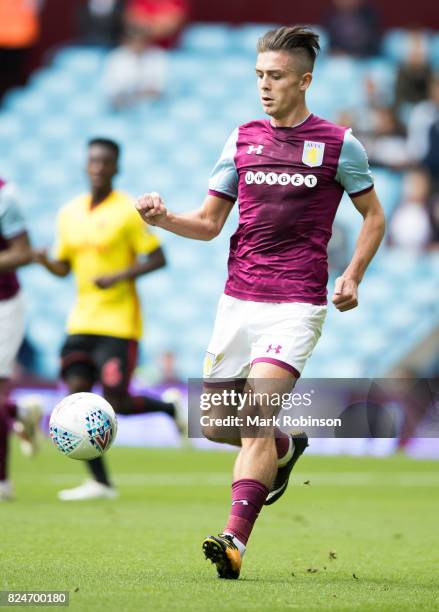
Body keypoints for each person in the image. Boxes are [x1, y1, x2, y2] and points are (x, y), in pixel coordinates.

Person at [136, 25, 385, 579]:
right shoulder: (241, 139)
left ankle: (234, 542)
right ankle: (287, 447)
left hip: (296, 302)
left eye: (275, 76)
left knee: (252, 418)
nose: (265, 87)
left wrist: (353, 274)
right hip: (237, 301)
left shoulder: (340, 144)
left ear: (304, 79)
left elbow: (374, 215)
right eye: (258, 76)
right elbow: (206, 223)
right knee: (216, 425)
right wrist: (162, 218)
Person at [34, 138, 184, 501]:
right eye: (92, 162)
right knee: (74, 400)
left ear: (116, 167)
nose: (98, 168)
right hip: (80, 322)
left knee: (114, 401)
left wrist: (117, 276)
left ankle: (169, 407)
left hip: (118, 324)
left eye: (105, 162)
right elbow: (64, 266)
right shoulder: (68, 213)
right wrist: (44, 261)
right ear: (86, 166)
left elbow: (158, 258)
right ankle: (100, 482)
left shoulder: (126, 212)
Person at [0, 179, 41, 501]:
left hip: (4, 305)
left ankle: (2, 482)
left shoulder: (5, 195)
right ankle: (18, 412)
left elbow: (23, 252)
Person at [102, 24, 167, 110]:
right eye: (134, 40)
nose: (138, 45)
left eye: (141, 41)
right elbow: (113, 90)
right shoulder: (116, 58)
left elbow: (159, 89)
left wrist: (136, 94)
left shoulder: (158, 56)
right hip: (123, 105)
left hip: (153, 105)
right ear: (126, 41)